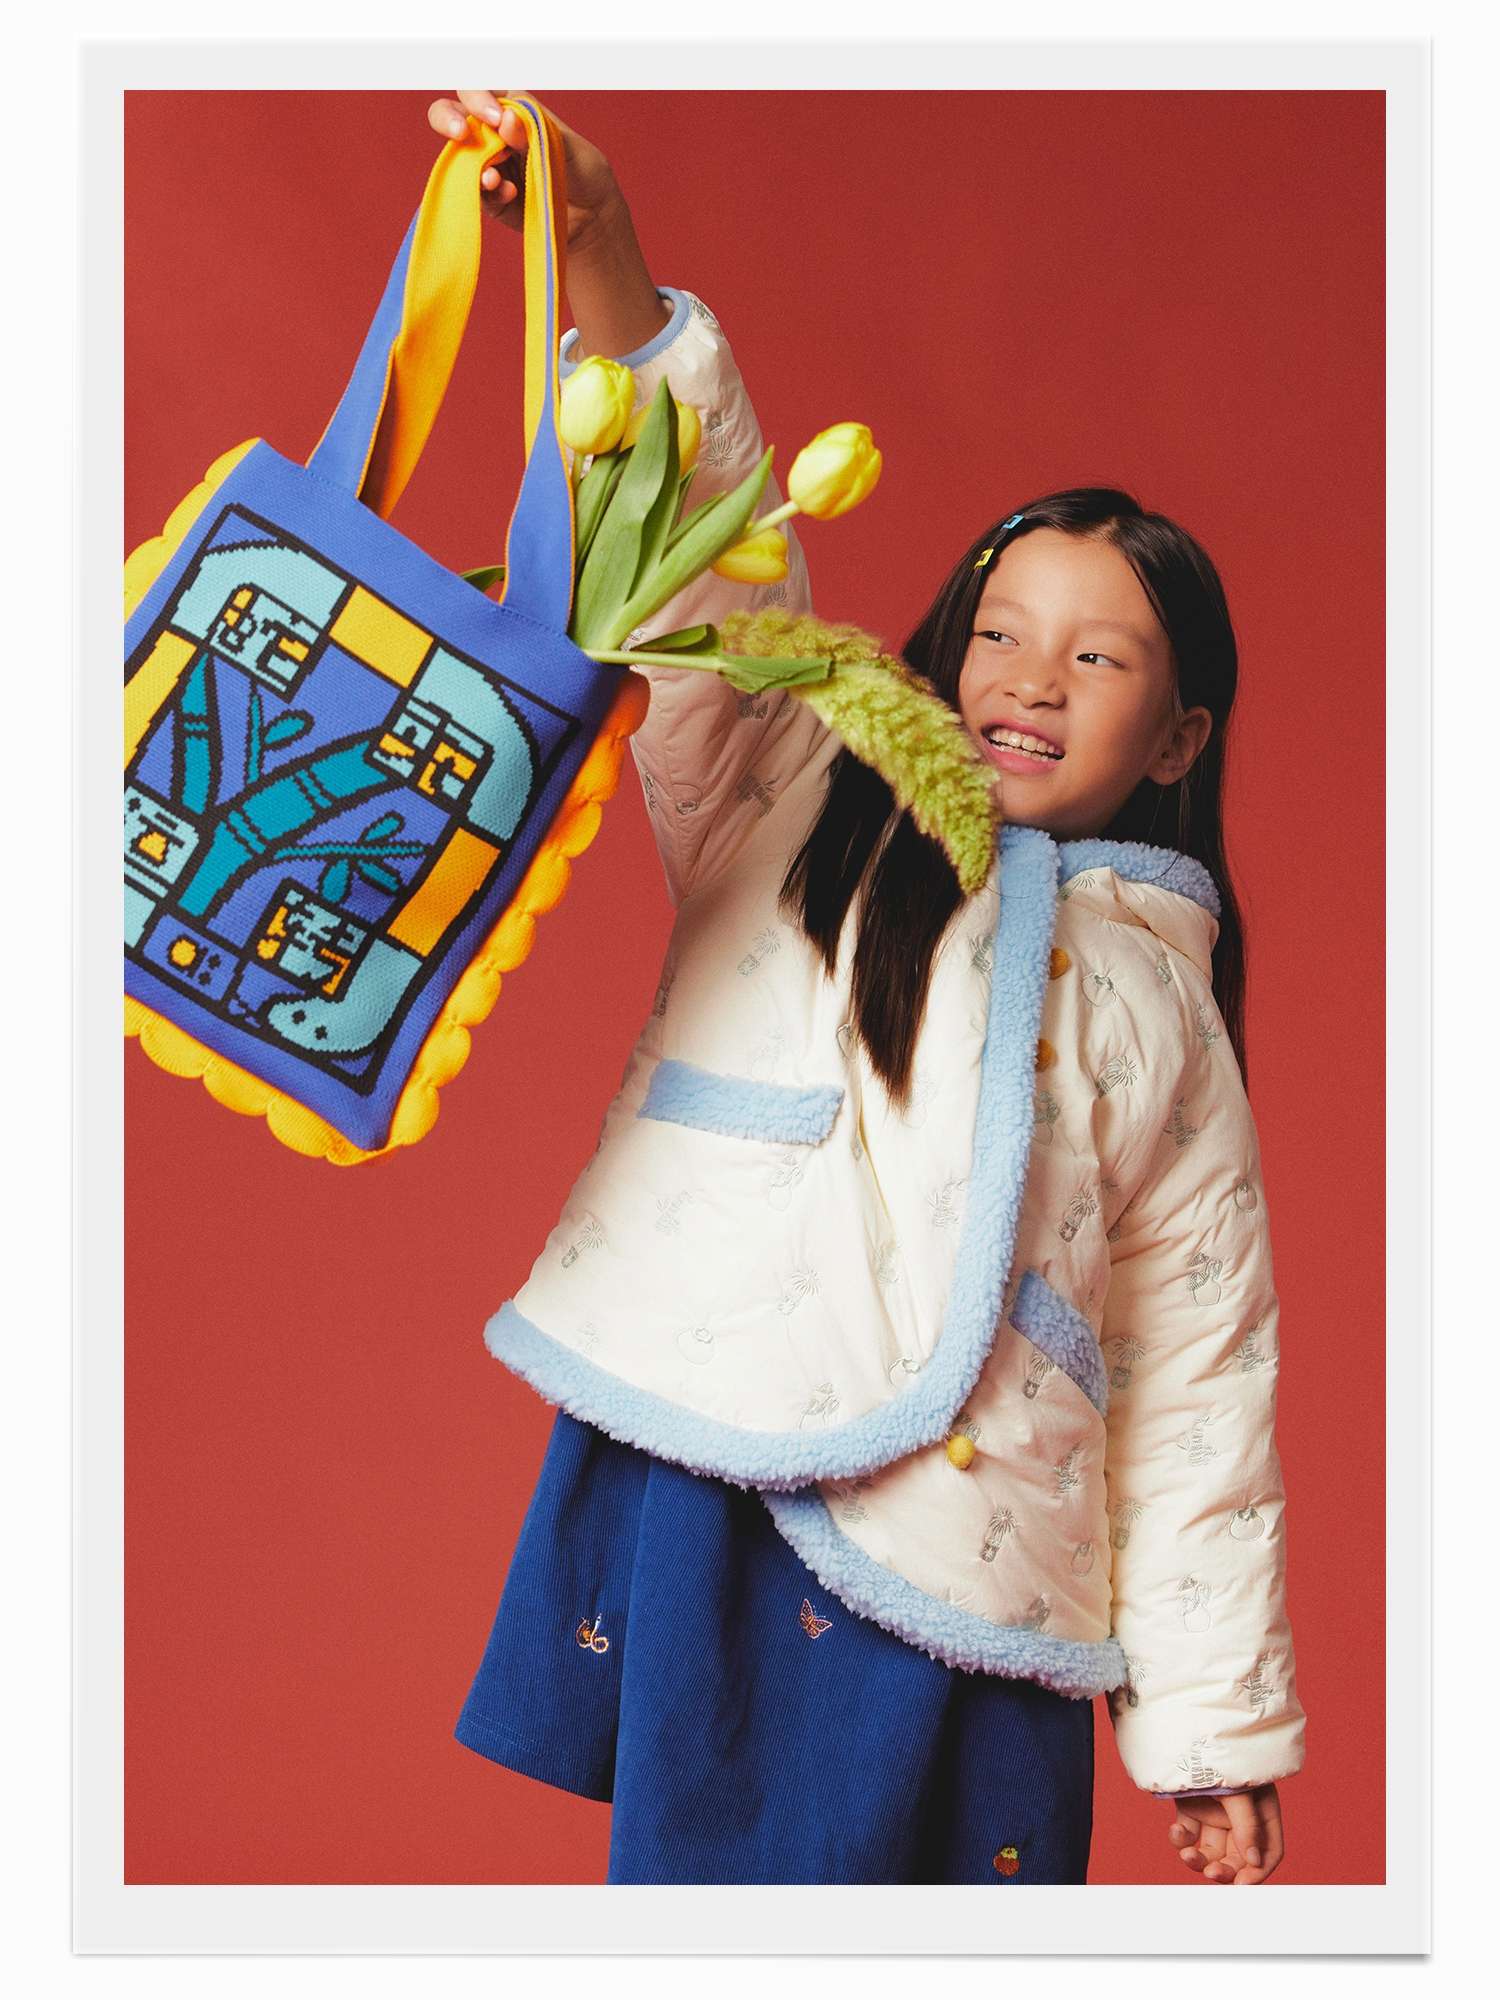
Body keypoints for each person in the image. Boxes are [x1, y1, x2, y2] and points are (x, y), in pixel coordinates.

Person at [430, 89, 1306, 1887]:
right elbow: (712, 563)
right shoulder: (800, 788)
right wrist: (604, 264)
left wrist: (1211, 1731)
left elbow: (1203, 1372)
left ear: (1180, 735)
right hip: (733, 1445)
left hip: (990, 1543)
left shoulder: (1170, 1016)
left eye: (1100, 656)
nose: (1030, 677)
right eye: (1000, 629)